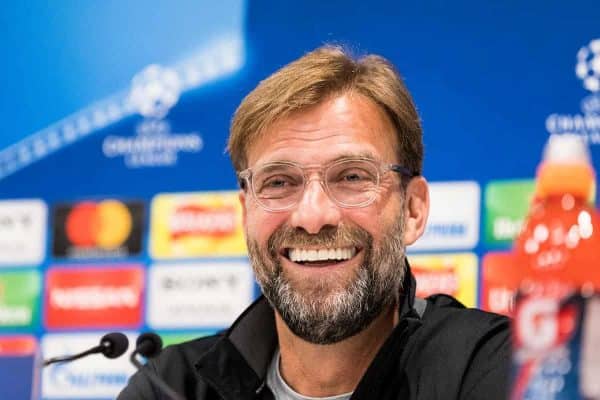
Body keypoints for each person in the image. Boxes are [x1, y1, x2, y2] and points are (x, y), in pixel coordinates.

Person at [119, 45, 510, 400]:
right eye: (278, 182)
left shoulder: (495, 369)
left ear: (413, 209)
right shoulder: (171, 387)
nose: (311, 216)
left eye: (352, 176)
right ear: (245, 212)